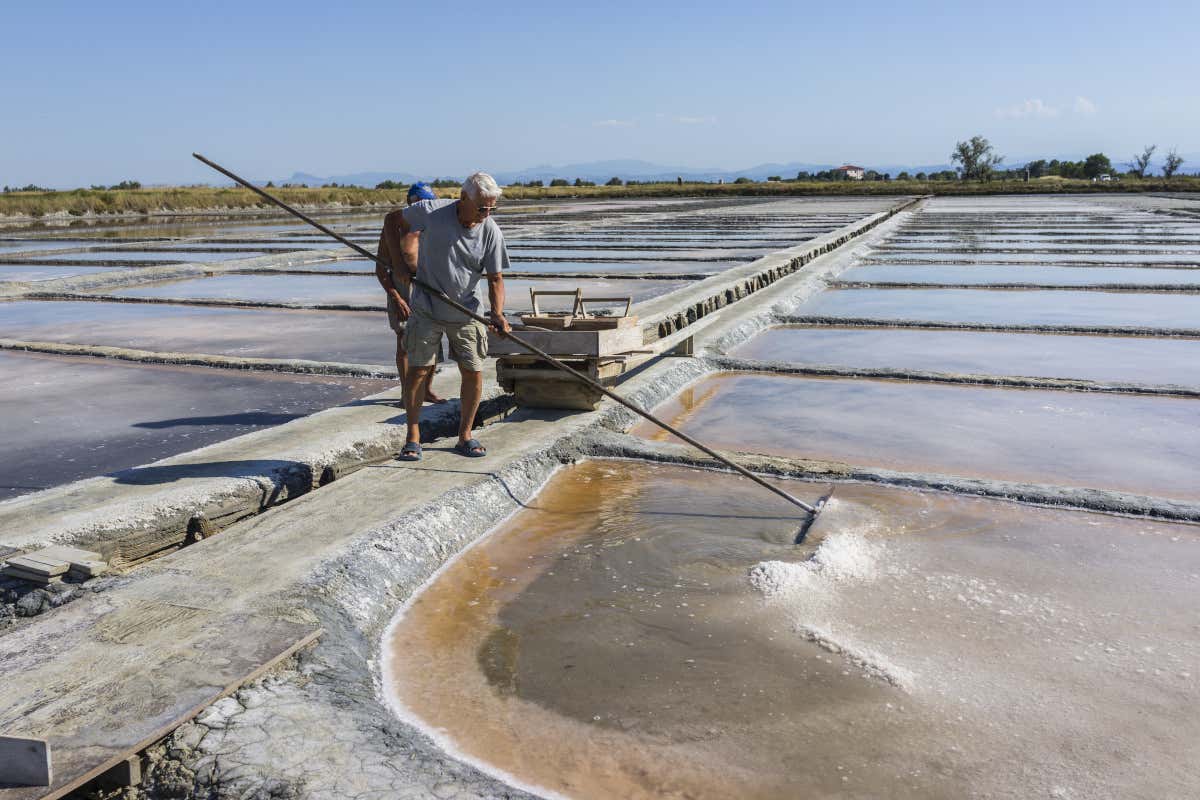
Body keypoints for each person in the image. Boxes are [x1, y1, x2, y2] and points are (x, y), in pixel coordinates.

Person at [390, 172, 511, 461]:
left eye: (492, 208)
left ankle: (465, 435)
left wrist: (497, 314)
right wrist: (399, 265)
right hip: (427, 308)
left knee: (473, 371)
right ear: (463, 198)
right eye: (482, 207)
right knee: (419, 369)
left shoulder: (490, 231)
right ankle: (413, 436)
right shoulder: (430, 212)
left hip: (467, 311)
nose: (486, 213)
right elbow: (393, 221)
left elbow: (495, 279)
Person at [376, 181, 445, 403]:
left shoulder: (434, 226)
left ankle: (426, 390)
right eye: (419, 205)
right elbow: (380, 269)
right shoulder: (395, 227)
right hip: (403, 288)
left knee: (433, 338)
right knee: (404, 340)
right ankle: (408, 394)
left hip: (430, 285)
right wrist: (396, 298)